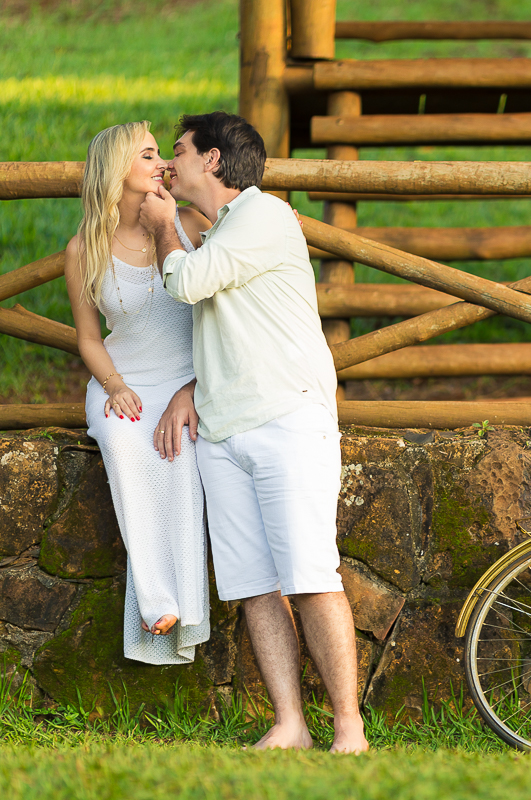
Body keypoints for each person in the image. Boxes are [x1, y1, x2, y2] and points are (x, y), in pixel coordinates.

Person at [139, 111, 368, 754]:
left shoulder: (265, 216)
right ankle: (290, 724)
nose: (168, 163)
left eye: (177, 151)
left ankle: (348, 728)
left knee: (311, 576)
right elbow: (224, 325)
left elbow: (187, 285)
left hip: (287, 422)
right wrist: (191, 387)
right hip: (223, 433)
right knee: (252, 587)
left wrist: (161, 227)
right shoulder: (220, 236)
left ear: (212, 160)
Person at [64, 121, 212, 664]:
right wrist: (114, 385)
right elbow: (87, 337)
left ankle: (185, 608)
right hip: (122, 380)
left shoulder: (187, 222)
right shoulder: (85, 247)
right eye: (147, 155)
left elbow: (240, 235)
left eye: (159, 155)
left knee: (180, 457)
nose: (161, 164)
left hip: (184, 383)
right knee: (124, 444)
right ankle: (155, 602)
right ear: (115, 171)